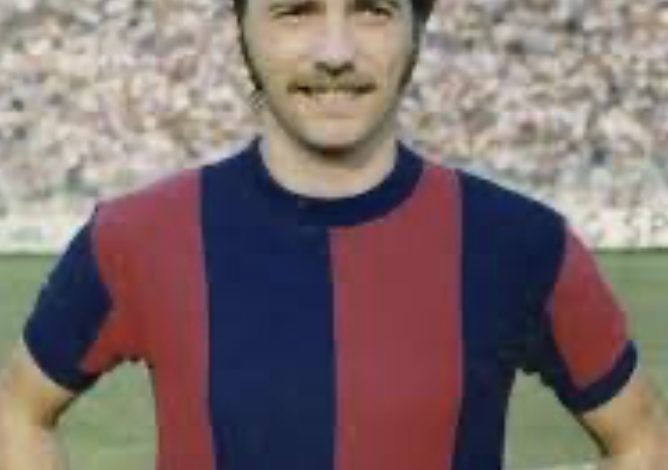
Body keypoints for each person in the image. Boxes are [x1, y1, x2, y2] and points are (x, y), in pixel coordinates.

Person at [0, 0, 667, 468]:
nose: (336, 53)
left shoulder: (524, 244)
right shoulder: (134, 236)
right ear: (242, 25)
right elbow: (20, 413)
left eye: (372, 10)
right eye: (296, 10)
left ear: (417, 28)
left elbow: (640, 441)